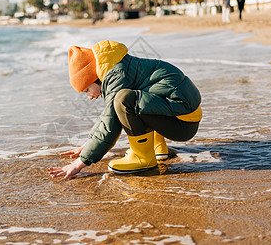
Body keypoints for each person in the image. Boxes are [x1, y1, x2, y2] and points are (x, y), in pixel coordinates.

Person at [49, 40, 202, 179]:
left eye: (87, 90)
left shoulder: (116, 76)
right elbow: (106, 116)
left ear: (92, 78)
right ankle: (157, 147)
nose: (89, 96)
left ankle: (143, 158)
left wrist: (79, 163)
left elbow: (110, 123)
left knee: (123, 100)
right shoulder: (117, 67)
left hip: (182, 125)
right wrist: (87, 145)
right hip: (182, 115)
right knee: (136, 97)